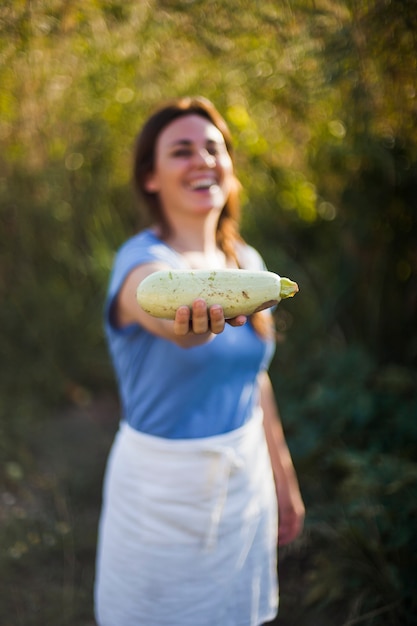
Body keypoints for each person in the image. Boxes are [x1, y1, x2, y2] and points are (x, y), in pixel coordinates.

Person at [94, 96, 305, 626]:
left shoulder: (247, 265)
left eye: (213, 148)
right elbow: (161, 312)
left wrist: (284, 478)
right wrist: (188, 331)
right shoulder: (140, 262)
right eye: (181, 151)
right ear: (151, 177)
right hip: (161, 490)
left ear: (230, 166)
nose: (202, 161)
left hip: (244, 477)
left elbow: (256, 381)